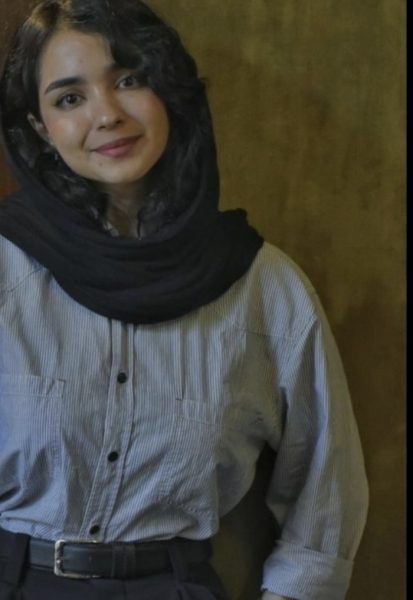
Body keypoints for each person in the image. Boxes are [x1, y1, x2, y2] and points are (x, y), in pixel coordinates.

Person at [0, 0, 369, 599]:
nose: (107, 114)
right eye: (69, 98)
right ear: (41, 129)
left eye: (129, 80)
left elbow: (326, 490)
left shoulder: (263, 286)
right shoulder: (6, 268)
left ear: (169, 89)